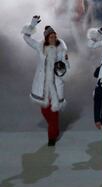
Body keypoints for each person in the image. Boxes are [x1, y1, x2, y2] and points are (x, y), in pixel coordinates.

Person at [21, 16, 70, 146]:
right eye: (50, 36)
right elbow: (26, 37)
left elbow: (66, 66)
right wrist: (32, 24)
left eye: (54, 36)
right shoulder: (39, 46)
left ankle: (51, 138)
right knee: (45, 110)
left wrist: (62, 66)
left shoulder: (61, 49)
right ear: (46, 38)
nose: (53, 38)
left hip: (55, 84)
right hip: (42, 85)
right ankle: (55, 128)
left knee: (53, 112)